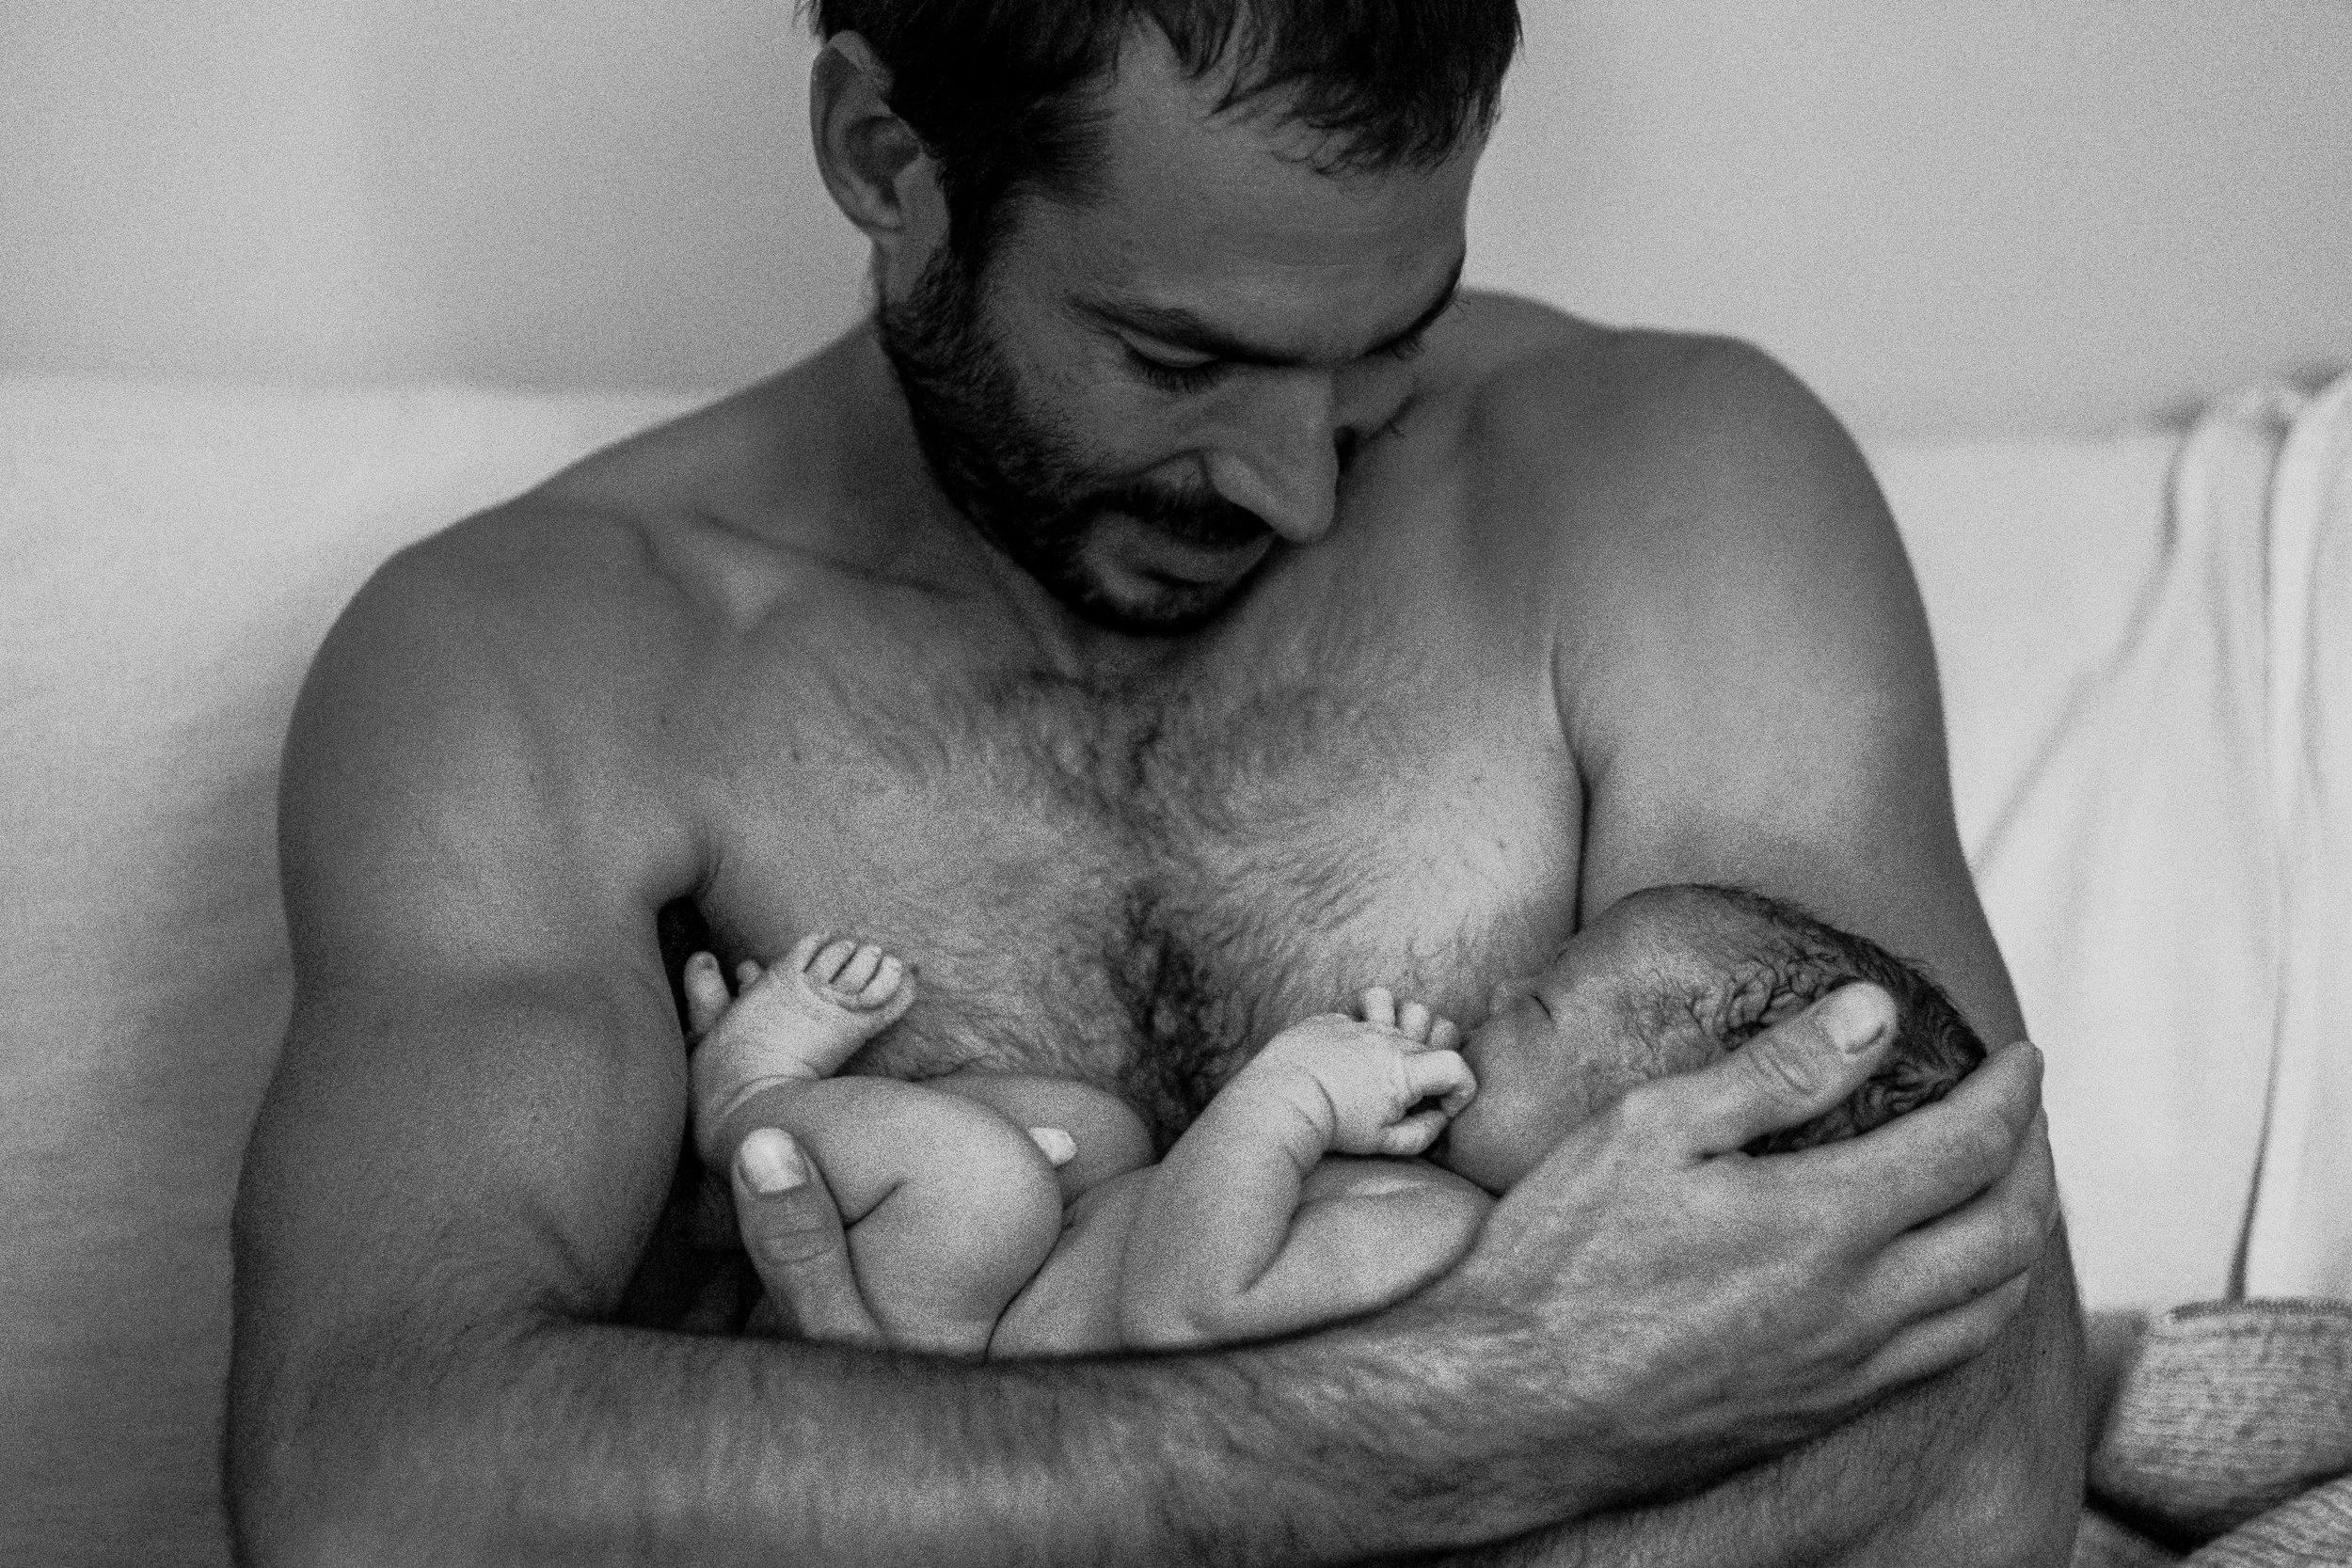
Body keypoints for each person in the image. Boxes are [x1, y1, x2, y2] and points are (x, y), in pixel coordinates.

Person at [226, 2, 2087, 1562]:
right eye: (1179, 357)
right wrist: (1491, 1403)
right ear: (887, 161)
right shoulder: (537, 659)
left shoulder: (1671, 489)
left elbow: (1969, 1436)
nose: (1299, 483)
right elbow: (371, 1480)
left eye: (1386, 342)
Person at [679, 883, 1988, 1360]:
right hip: (1056, 1257)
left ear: (1642, 1140)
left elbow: (1188, 1301)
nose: (1492, 999)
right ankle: (810, 1141)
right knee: (1097, 1129)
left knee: (986, 1184)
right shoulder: (1441, 1216)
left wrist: (1300, 1090)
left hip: (973, 1333)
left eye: (1531, 1016)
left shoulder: (1438, 1255)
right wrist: (1375, 1108)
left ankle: (749, 1101)